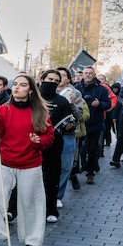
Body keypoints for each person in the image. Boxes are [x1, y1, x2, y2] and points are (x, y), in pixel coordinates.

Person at [0, 74, 54, 246]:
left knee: (31, 203)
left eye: (23, 85)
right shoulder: (2, 109)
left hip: (30, 164)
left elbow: (49, 137)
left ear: (31, 90)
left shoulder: (40, 112)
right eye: (15, 84)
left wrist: (37, 141)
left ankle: (32, 240)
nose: (17, 87)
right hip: (5, 163)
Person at [38, 70, 75, 223]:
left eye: (56, 80)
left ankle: (51, 210)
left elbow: (71, 122)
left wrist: (69, 126)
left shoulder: (62, 101)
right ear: (41, 79)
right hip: (32, 146)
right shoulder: (32, 99)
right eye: (49, 79)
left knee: (51, 179)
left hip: (53, 146)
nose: (52, 82)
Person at [54, 67, 85, 208]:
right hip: (49, 133)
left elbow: (79, 116)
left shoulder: (75, 93)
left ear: (68, 78)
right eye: (57, 75)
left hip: (68, 134)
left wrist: (71, 104)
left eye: (63, 75)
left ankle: (58, 195)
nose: (59, 78)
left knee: (65, 166)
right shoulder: (46, 92)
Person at [75, 67, 110, 184]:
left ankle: (91, 173)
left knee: (92, 148)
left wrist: (99, 104)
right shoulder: (76, 89)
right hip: (80, 123)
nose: (88, 75)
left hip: (95, 123)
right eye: (86, 73)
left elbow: (108, 104)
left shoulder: (102, 89)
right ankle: (80, 168)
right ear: (83, 74)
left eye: (90, 73)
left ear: (94, 74)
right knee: (79, 148)